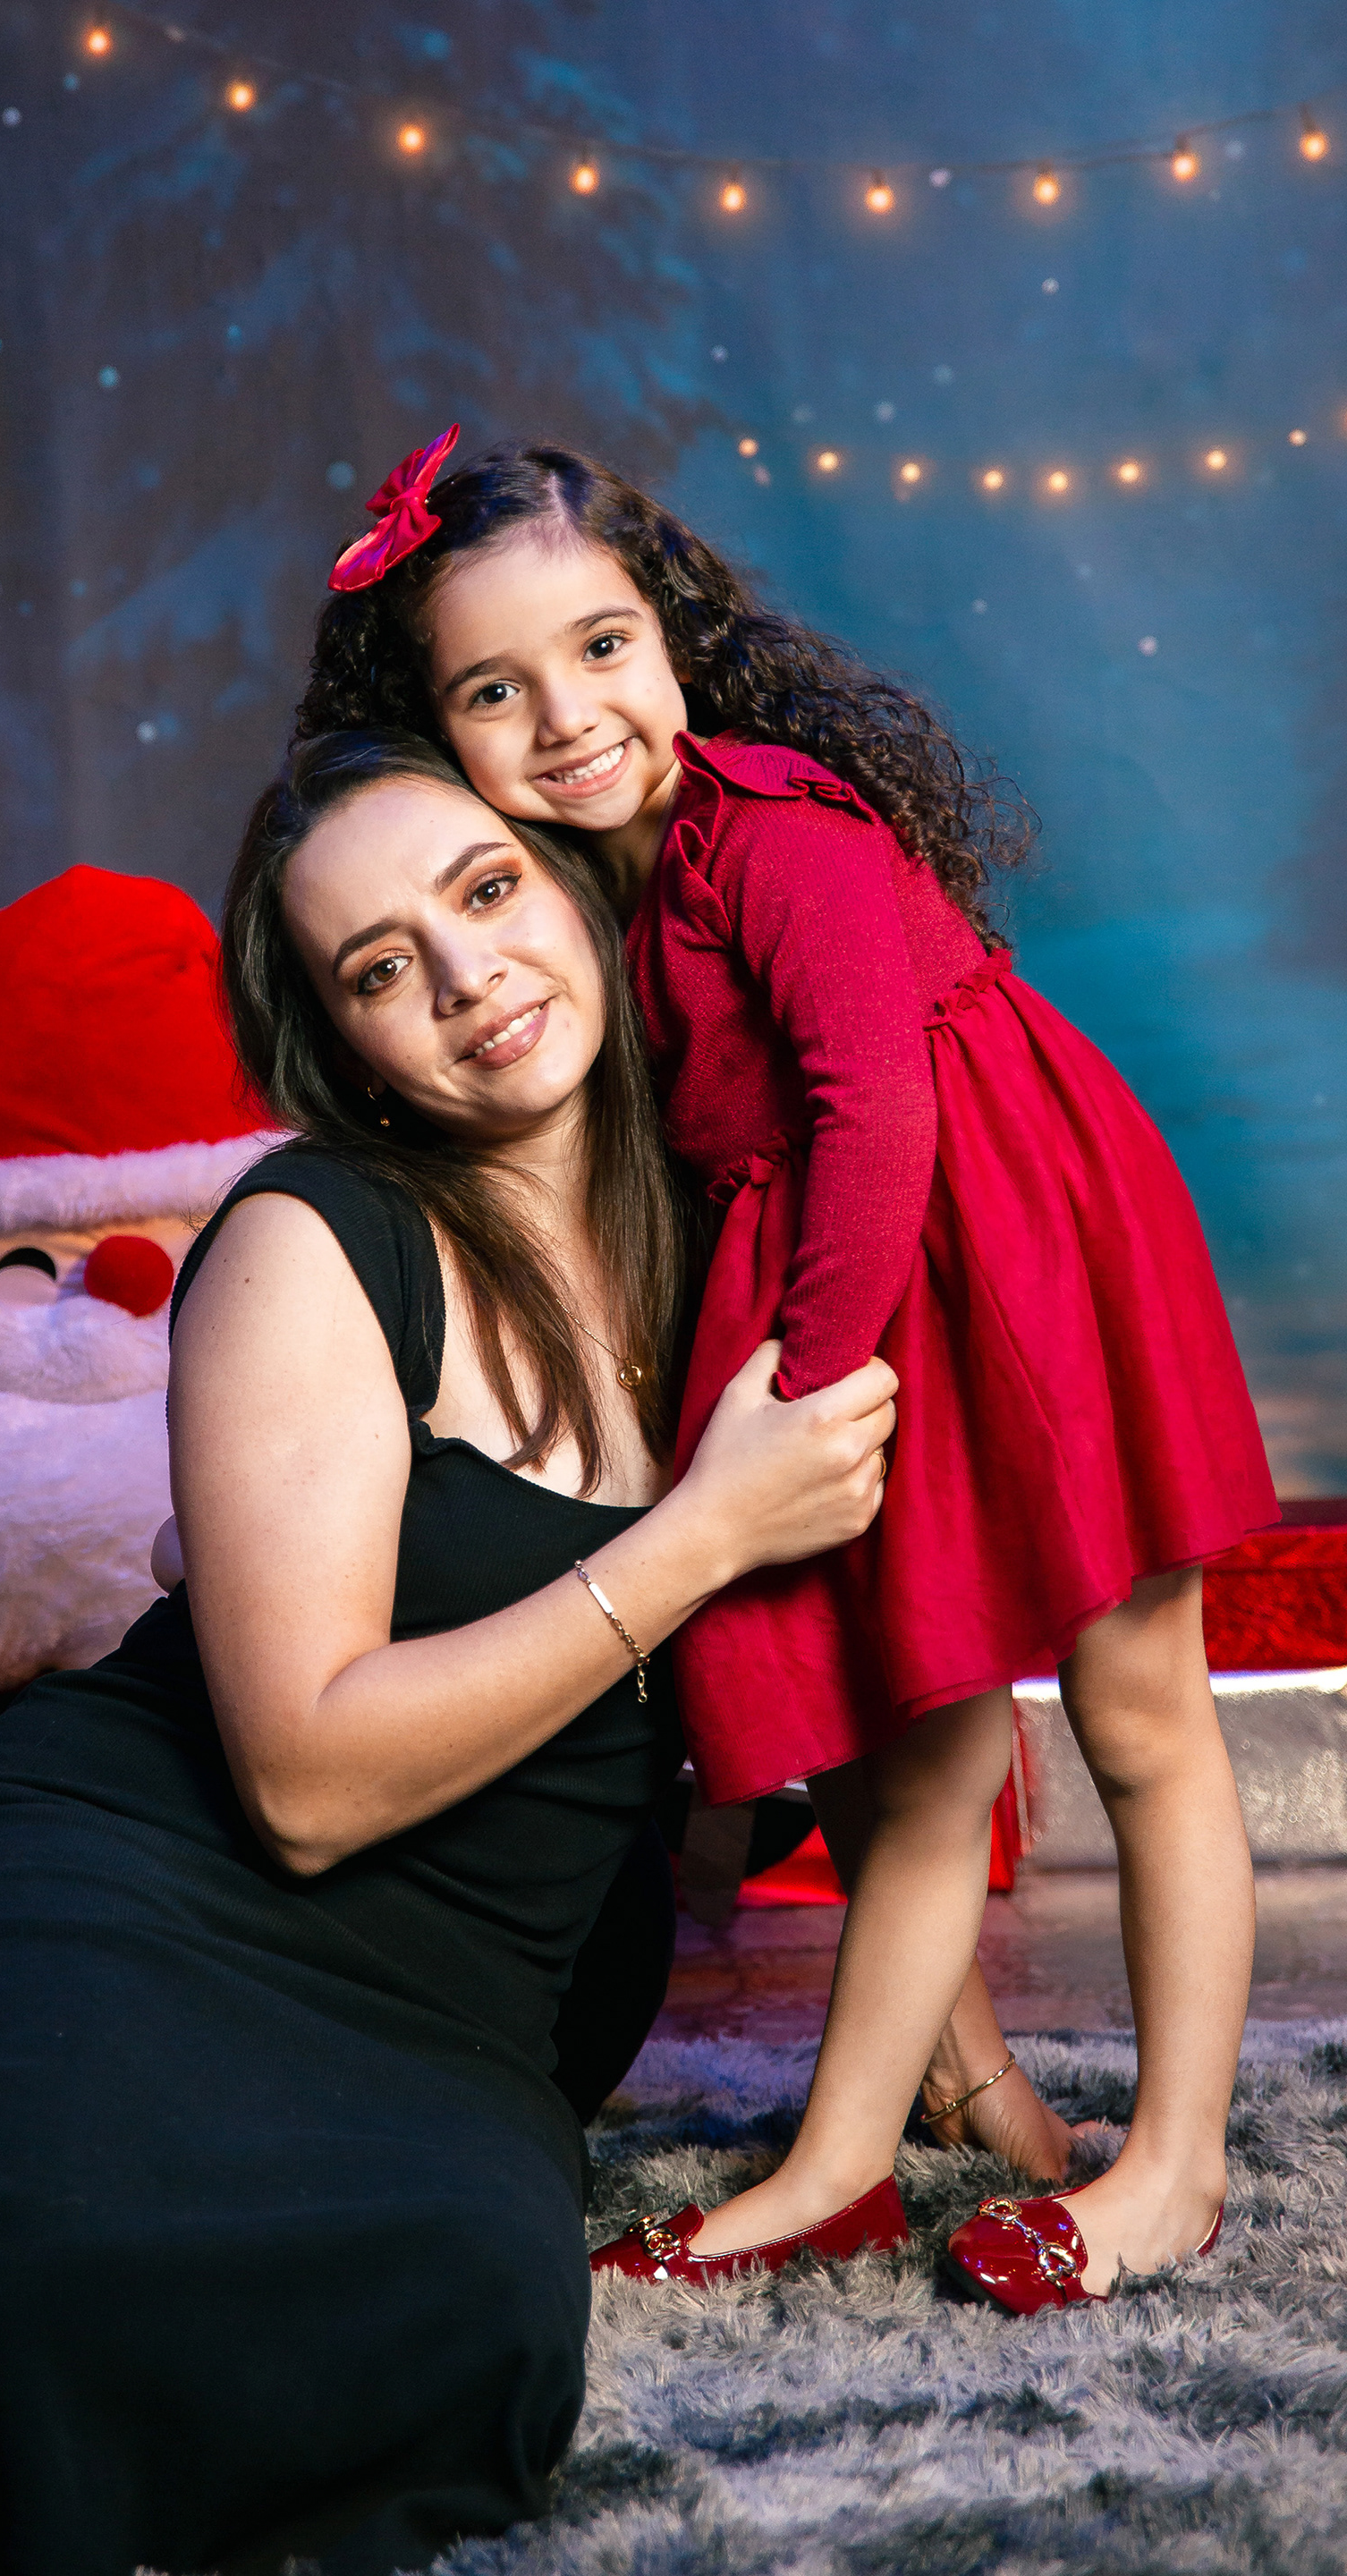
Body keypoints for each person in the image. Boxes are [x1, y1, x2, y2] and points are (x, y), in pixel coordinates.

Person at [0, 732, 896, 2576]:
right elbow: (302, 1782)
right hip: (150, 1877)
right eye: (381, 967)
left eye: (487, 890)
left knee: (471, 2337)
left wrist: (941, 2061)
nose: (467, 978)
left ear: (575, 888)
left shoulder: (740, 1231)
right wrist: (702, 1533)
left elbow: (850, 1697)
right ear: (342, 1042)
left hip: (464, 1990)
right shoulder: (310, 1238)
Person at [292, 434, 1278, 2309]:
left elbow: (878, 1110)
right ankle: (869, 2149)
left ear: (675, 635)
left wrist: (805, 1401)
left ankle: (1177, 2166)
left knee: (1142, 1707)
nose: (568, 718)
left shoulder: (776, 828)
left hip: (1008, 1255)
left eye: (602, 647)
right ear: (436, 733)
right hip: (864, 1281)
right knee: (913, 1753)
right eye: (495, 691)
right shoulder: (578, 903)